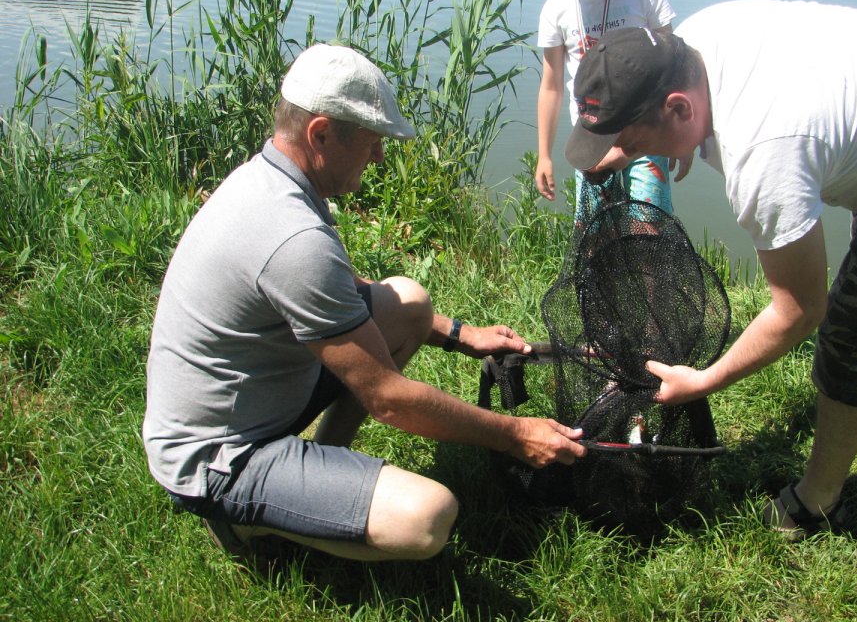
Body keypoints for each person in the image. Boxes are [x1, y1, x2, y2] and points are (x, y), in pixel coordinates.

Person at [142, 43, 586, 568]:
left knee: (410, 303)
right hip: (218, 457)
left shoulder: (269, 181)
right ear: (321, 133)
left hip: (257, 398)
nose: (378, 157)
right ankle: (247, 522)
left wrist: (460, 333)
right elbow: (389, 400)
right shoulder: (291, 236)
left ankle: (321, 473)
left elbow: (337, 285)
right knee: (427, 517)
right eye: (372, 143)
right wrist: (514, 434)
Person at [563, 0, 857, 539]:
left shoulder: (762, 152)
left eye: (631, 142)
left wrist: (705, 380)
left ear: (679, 109)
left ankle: (816, 504)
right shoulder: (692, 42)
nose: (628, 154)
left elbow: (799, 310)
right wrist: (646, 145)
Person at [535, 0, 676, 220]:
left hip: (646, 134)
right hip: (590, 141)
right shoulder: (556, 8)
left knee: (650, 224)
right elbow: (552, 86)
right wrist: (544, 154)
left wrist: (674, 132)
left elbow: (674, 67)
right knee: (595, 230)